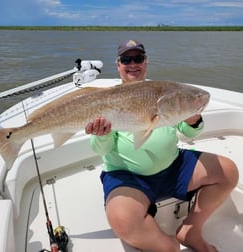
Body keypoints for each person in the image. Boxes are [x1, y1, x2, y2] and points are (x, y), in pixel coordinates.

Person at [85, 39, 239, 252]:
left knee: (228, 171)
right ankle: (167, 246)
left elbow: (189, 132)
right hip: (127, 176)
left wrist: (193, 118)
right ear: (118, 64)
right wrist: (102, 135)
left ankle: (190, 230)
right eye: (126, 59)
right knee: (123, 220)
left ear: (146, 62)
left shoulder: (166, 93)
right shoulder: (108, 99)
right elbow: (101, 150)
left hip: (173, 166)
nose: (133, 64)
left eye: (138, 58)